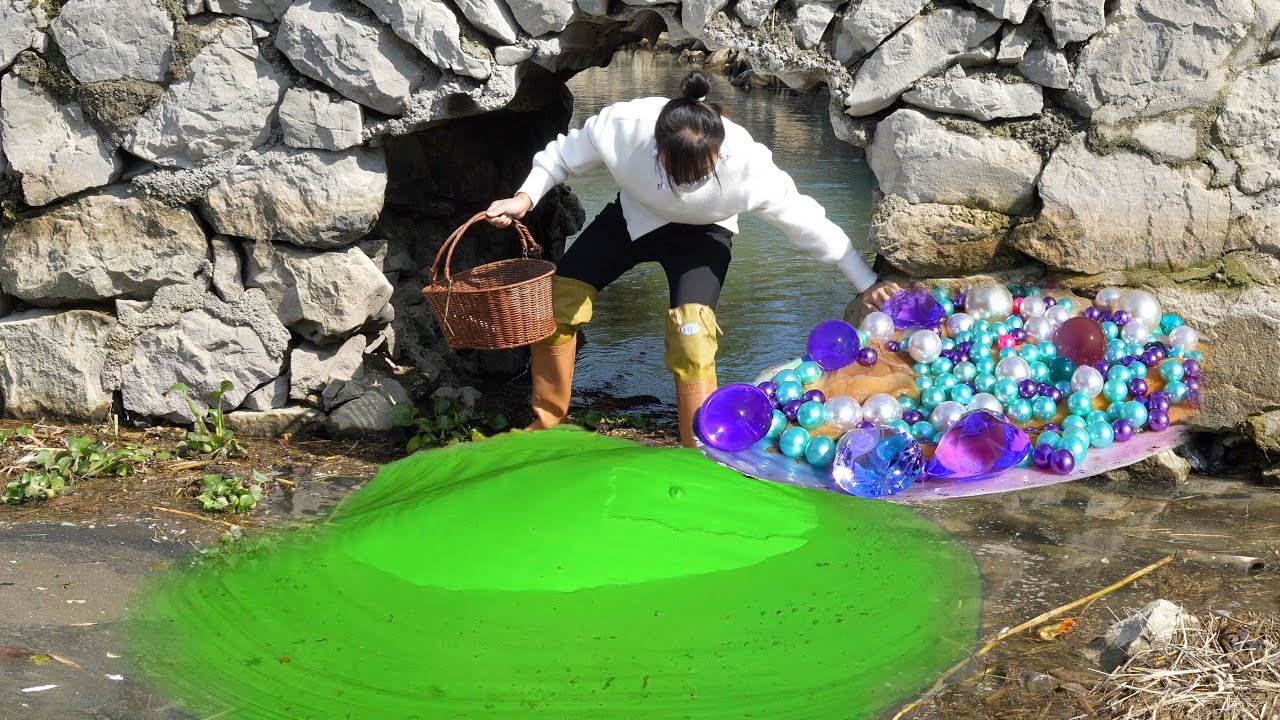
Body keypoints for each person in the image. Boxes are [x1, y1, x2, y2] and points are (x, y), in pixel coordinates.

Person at [486, 70, 899, 448]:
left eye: (698, 176)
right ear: (655, 148)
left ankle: (696, 448)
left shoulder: (749, 166)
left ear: (718, 155)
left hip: (705, 234)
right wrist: (524, 197)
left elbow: (808, 223)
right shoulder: (624, 127)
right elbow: (560, 156)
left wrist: (867, 283)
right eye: (673, 174)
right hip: (633, 218)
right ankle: (546, 421)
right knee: (559, 301)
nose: (685, 187)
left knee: (692, 335)